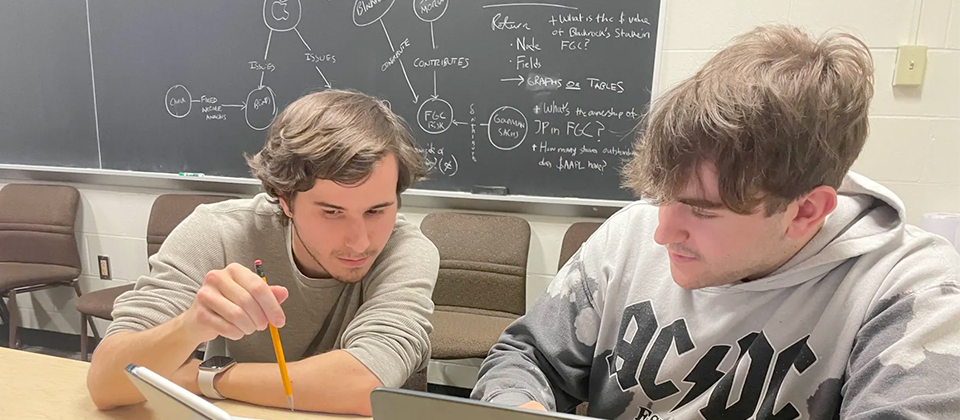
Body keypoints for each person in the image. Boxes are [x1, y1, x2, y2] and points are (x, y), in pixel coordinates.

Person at [472, 25, 960, 419]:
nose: (662, 234)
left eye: (702, 210)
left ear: (806, 210)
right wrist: (520, 408)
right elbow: (524, 358)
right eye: (661, 197)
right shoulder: (630, 235)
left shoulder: (909, 289)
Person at [87, 89, 440, 416]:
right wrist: (190, 326)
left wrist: (202, 378)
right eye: (332, 212)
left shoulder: (406, 251)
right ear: (285, 200)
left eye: (376, 211)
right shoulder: (217, 232)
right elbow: (105, 383)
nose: (360, 242)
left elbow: (364, 384)